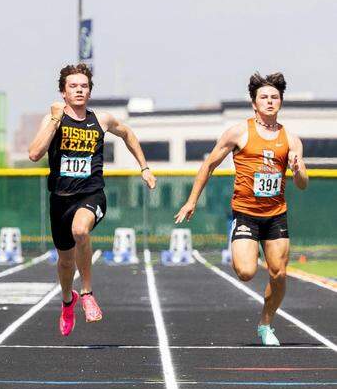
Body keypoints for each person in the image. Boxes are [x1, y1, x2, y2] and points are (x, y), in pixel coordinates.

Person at [175, 72, 307, 346]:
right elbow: (209, 165)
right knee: (246, 272)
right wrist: (191, 200)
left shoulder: (291, 139)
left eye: (274, 97)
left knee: (279, 273)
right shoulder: (239, 132)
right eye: (264, 97)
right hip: (246, 213)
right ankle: (244, 241)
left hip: (276, 214)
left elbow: (302, 184)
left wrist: (297, 169)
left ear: (281, 102)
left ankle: (266, 324)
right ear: (254, 103)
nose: (269, 101)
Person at [28, 63, 156, 336]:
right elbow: (34, 153)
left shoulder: (102, 120)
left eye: (84, 86)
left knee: (80, 230)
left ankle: (86, 293)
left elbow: (127, 133)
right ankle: (68, 300)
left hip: (92, 194)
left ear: (89, 91)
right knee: (65, 262)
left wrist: (144, 167)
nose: (79, 90)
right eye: (73, 86)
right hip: (60, 200)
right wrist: (54, 120)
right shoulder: (53, 119)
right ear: (63, 92)